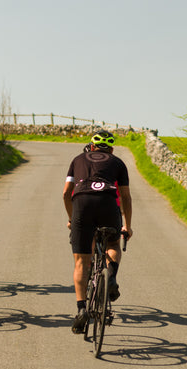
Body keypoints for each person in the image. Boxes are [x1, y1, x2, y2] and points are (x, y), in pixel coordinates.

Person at [62, 129, 133, 334]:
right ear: (111, 148)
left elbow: (66, 193)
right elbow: (126, 198)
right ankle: (111, 276)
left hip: (82, 205)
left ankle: (81, 309)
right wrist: (127, 225)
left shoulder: (77, 159)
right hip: (108, 205)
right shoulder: (118, 162)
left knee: (81, 262)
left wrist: (70, 218)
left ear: (91, 146)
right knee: (112, 244)